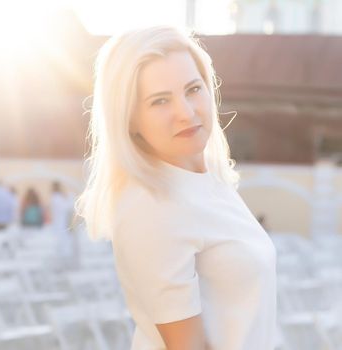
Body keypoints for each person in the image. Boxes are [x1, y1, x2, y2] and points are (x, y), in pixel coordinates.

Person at [74, 26, 277, 350]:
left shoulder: (207, 181)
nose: (185, 112)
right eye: (160, 101)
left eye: (193, 89)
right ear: (129, 119)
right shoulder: (152, 208)